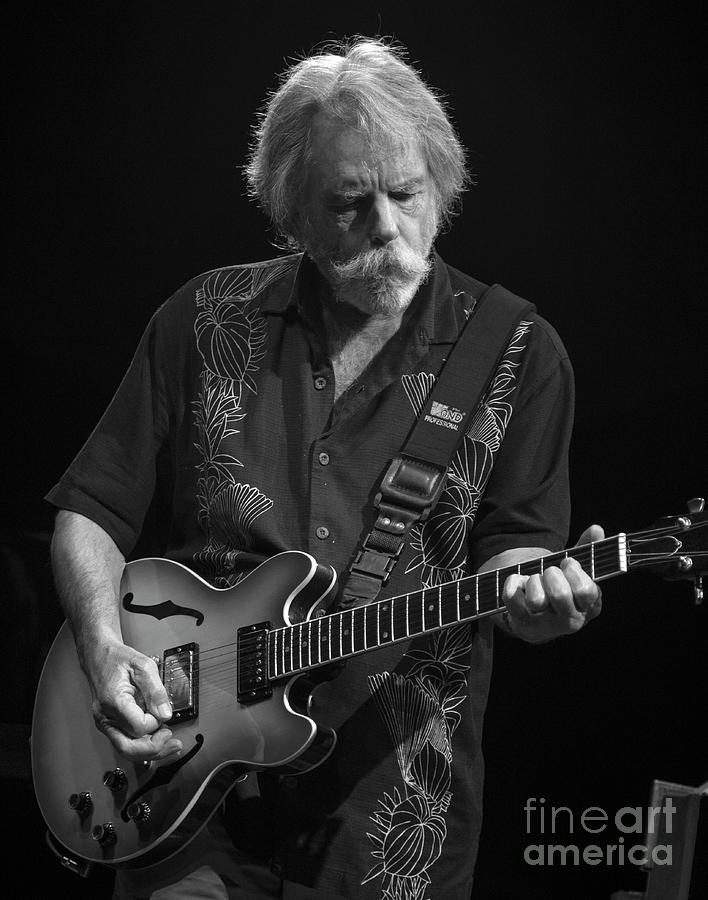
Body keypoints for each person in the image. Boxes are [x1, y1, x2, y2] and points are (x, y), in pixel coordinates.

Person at [45, 37, 603, 900]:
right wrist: (105, 647)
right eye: (350, 203)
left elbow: (516, 552)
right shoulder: (204, 318)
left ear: (442, 189)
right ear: (292, 210)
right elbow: (91, 509)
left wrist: (541, 599)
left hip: (388, 828)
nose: (386, 226)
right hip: (179, 805)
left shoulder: (521, 353)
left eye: (407, 194)